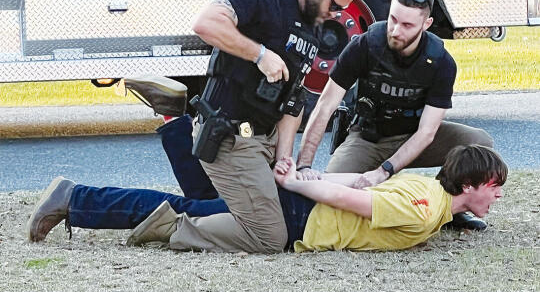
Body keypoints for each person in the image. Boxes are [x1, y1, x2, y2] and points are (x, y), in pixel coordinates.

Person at [28, 0, 361, 252]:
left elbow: (294, 99)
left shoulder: (313, 24)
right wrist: (259, 54)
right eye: (335, 5)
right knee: (269, 234)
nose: (337, 14)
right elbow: (206, 22)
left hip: (264, 140)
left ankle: (86, 190)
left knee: (210, 205)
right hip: (233, 136)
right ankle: (156, 222)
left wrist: (285, 157)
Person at [27, 145, 507, 252]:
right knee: (186, 211)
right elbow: (356, 201)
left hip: (300, 212)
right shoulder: (424, 207)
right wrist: (297, 183)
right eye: (494, 184)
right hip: (298, 218)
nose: (499, 193)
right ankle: (77, 197)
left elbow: (365, 183)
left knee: (197, 202)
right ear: (470, 185)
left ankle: (178, 127)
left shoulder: (430, 196)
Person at [294, 0, 494, 230]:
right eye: (393, 19)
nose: (396, 30)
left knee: (480, 143)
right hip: (369, 138)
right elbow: (325, 106)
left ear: (426, 24)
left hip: (415, 138)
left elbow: (427, 133)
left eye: (407, 25)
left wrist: (384, 171)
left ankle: (448, 209)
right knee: (329, 192)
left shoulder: (441, 63)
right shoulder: (364, 46)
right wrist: (303, 165)